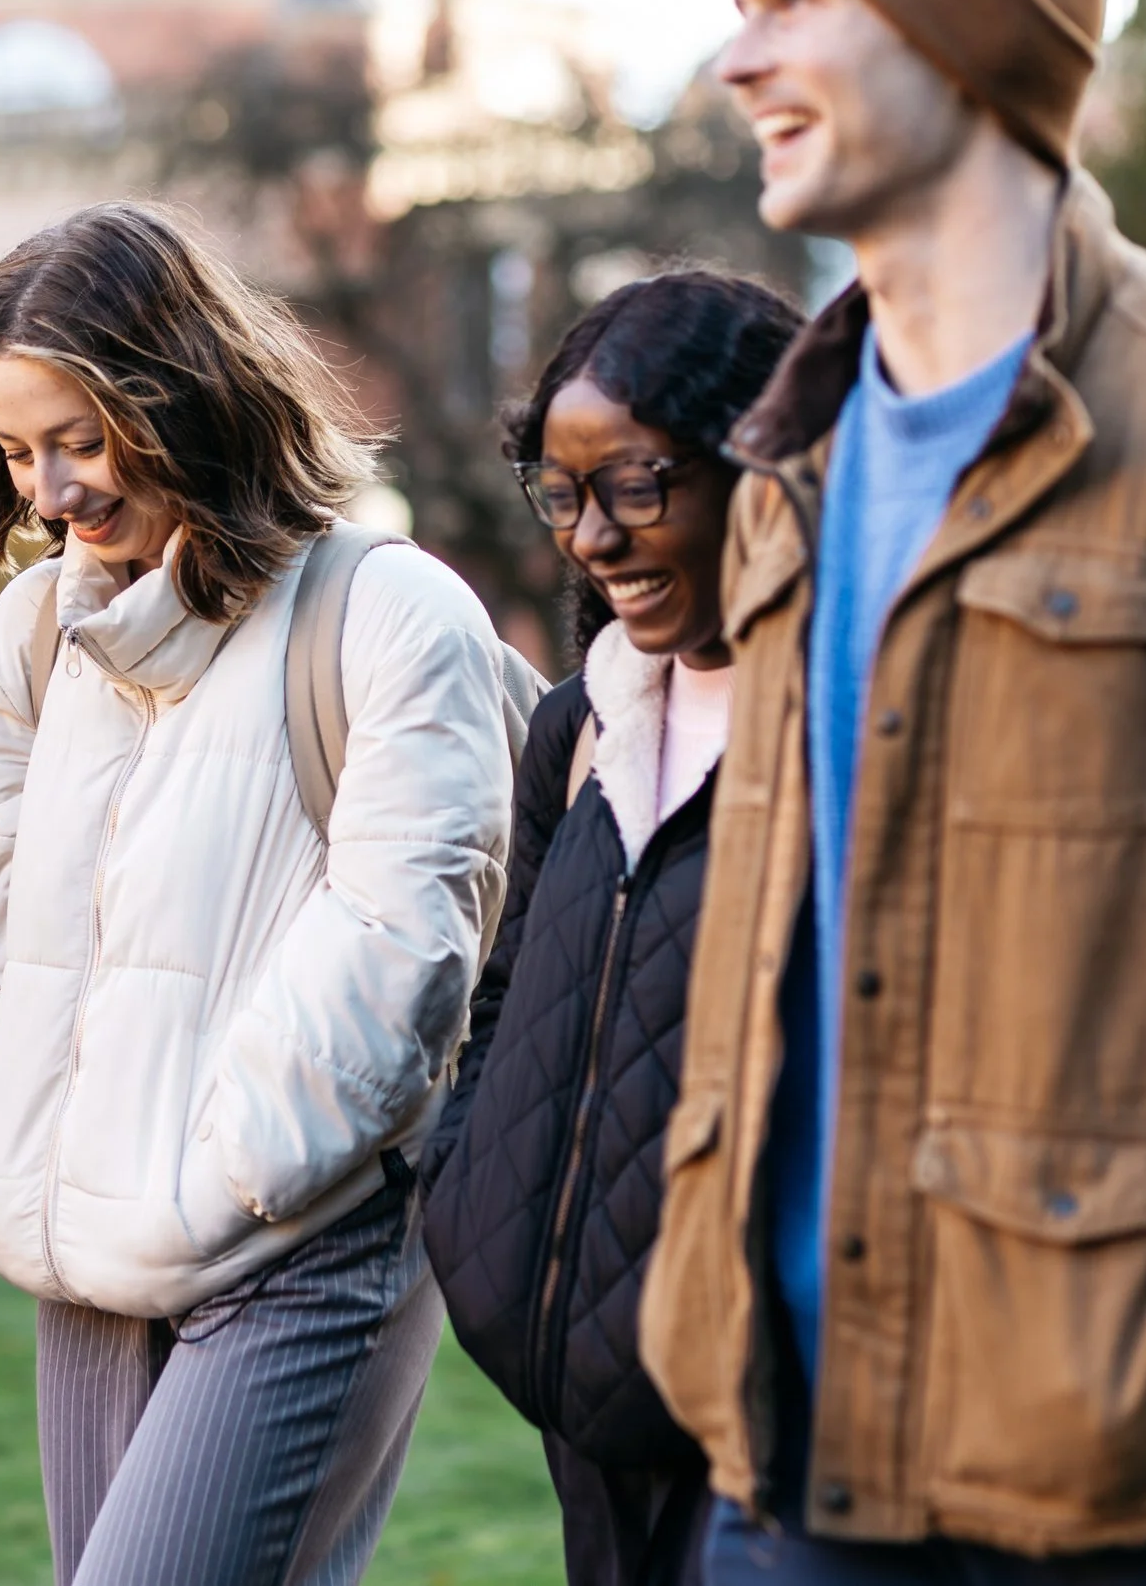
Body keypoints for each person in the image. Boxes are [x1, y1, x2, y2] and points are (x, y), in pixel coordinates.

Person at [635, 0, 1146, 1580]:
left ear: (960, 24)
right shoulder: (789, 476)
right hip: (797, 1489)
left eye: (792, 2)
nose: (737, 63)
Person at [0, 202, 515, 1586]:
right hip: (85, 1248)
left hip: (296, 1232)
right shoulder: (33, 635)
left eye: (79, 439)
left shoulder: (390, 609)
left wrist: (230, 1176)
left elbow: (408, 937)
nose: (50, 489)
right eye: (16, 450)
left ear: (180, 394)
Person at [422, 271, 802, 1586]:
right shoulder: (576, 727)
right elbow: (506, 992)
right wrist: (468, 1194)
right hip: (576, 1396)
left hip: (773, 1424)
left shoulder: (856, 740)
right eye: (564, 492)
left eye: (637, 485)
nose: (592, 535)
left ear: (766, 469)